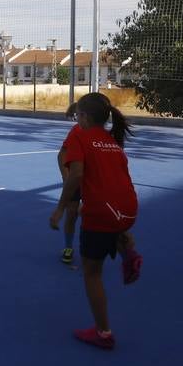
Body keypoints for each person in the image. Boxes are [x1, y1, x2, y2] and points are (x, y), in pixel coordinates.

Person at [48, 92, 142, 350]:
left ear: (85, 117)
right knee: (114, 227)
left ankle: (103, 332)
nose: (76, 119)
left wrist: (59, 208)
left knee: (92, 272)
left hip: (101, 210)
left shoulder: (80, 135)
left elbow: (75, 173)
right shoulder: (113, 141)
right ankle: (128, 251)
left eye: (78, 115)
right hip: (128, 209)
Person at [57, 102, 81, 264]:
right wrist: (67, 178)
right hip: (77, 178)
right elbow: (61, 155)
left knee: (102, 215)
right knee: (72, 213)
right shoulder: (76, 132)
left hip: (94, 181)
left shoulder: (103, 134)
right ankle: (68, 247)